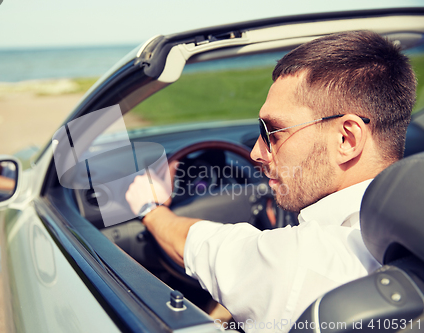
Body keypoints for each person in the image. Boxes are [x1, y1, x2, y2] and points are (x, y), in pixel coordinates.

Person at [125, 31, 417, 332]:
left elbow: (198, 245)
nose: (256, 152)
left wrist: (150, 208)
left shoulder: (299, 265)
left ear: (346, 139)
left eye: (273, 132)